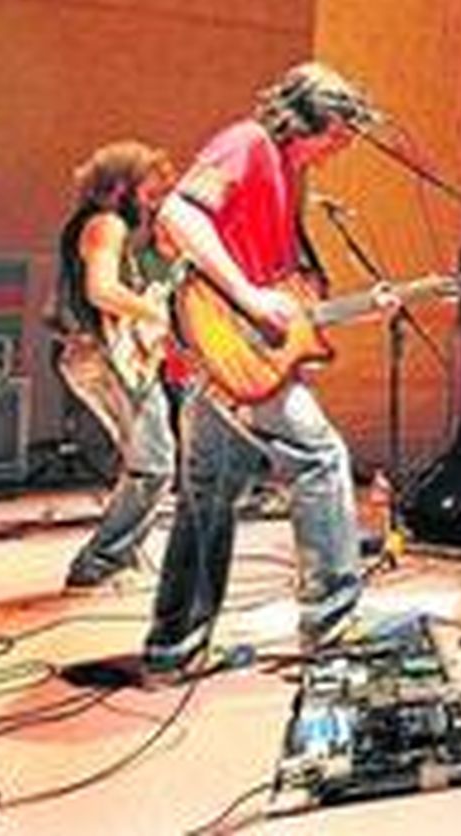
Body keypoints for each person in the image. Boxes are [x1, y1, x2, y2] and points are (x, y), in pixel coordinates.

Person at [142, 62, 393, 679]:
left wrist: (356, 308)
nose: (340, 149)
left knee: (208, 495)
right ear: (305, 116)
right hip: (226, 345)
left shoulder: (286, 171)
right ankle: (333, 627)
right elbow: (178, 215)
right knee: (322, 459)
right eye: (335, 134)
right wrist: (251, 301)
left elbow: (285, 293)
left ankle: (173, 647)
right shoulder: (248, 143)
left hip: (222, 354)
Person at [51, 141, 179, 590]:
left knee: (145, 461)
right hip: (102, 357)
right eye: (149, 188)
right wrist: (155, 314)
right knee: (154, 464)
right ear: (121, 185)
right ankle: (100, 562)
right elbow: (101, 290)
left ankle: (119, 555)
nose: (155, 197)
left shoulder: (98, 226)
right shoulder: (105, 225)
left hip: (98, 355)